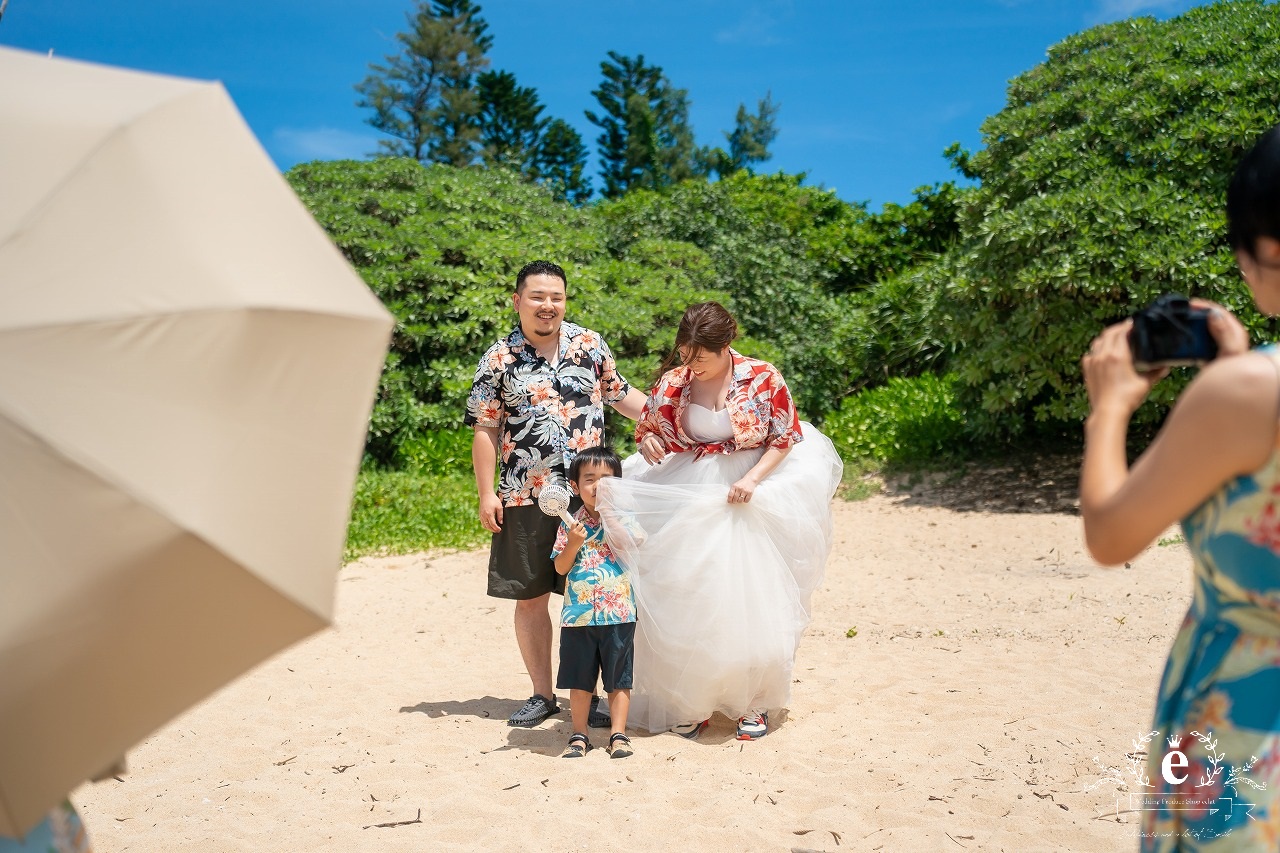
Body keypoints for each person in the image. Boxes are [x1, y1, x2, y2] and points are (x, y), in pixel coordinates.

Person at [1081, 124, 1280, 849]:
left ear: (1268, 250)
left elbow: (1111, 533)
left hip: (1252, 730)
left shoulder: (1251, 392)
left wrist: (1109, 406)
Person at [596, 301, 843, 740]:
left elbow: (786, 436)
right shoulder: (676, 381)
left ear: (726, 345)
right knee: (691, 592)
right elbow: (650, 425)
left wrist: (752, 479)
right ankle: (693, 701)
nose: (691, 366)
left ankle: (757, 702)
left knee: (751, 594)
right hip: (691, 486)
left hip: (750, 487)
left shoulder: (763, 376)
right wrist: (651, 440)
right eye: (685, 356)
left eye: (701, 358)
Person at [465, 260, 646, 728]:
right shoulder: (499, 358)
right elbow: (485, 429)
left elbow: (621, 394)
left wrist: (667, 420)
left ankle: (592, 697)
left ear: (565, 300)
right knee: (531, 597)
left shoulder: (589, 344)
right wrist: (488, 494)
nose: (548, 306)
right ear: (518, 300)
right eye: (538, 297)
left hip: (590, 497)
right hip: (523, 495)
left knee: (594, 592)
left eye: (556, 297)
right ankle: (542, 695)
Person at [551, 446, 636, 759]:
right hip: (579, 615)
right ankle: (579, 734)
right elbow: (560, 567)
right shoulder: (568, 523)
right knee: (580, 678)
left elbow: (631, 545)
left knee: (619, 678)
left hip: (619, 612)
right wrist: (572, 542)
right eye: (589, 479)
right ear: (575, 486)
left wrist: (610, 514)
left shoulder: (625, 518)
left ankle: (618, 734)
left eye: (607, 480)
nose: (598, 486)